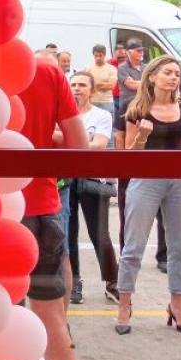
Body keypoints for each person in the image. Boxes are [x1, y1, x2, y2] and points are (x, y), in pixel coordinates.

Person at [17, 53, 89, 360]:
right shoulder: (45, 70)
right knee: (53, 324)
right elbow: (79, 147)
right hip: (39, 207)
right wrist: (46, 137)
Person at [113, 56, 181, 339]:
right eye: (168, 73)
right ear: (152, 76)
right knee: (133, 247)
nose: (173, 78)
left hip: (179, 181)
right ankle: (124, 306)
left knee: (179, 249)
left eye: (177, 74)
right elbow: (130, 156)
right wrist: (143, 137)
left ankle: (177, 306)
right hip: (145, 180)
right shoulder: (136, 107)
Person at [62, 71, 118, 305]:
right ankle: (75, 282)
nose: (77, 89)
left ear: (92, 91)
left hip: (93, 180)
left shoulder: (102, 115)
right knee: (69, 234)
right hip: (66, 178)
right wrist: (83, 140)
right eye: (73, 85)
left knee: (100, 233)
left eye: (82, 85)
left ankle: (113, 281)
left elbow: (100, 144)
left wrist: (68, 139)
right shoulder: (62, 115)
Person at [82, 44, 117, 116]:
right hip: (91, 101)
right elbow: (84, 84)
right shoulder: (87, 68)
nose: (98, 58)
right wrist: (103, 85)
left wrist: (92, 86)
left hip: (107, 102)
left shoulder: (112, 68)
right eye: (96, 56)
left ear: (104, 55)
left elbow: (111, 86)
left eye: (100, 55)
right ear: (93, 56)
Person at [116, 41, 145, 116]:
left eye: (142, 51)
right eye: (138, 51)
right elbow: (132, 85)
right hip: (127, 105)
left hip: (143, 104)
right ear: (129, 53)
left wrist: (137, 82)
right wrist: (147, 82)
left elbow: (153, 82)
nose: (141, 53)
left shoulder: (146, 67)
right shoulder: (122, 68)